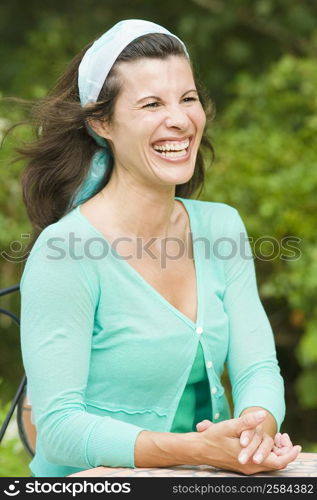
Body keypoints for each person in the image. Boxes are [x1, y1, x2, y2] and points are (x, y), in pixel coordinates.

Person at [18, 19, 301, 477]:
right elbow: (59, 428)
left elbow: (258, 368)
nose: (180, 119)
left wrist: (254, 431)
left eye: (188, 98)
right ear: (100, 121)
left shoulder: (221, 227)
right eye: (152, 103)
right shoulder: (64, 252)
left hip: (201, 478)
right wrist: (196, 450)